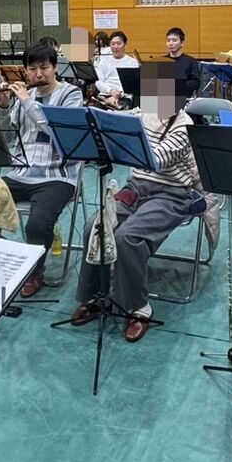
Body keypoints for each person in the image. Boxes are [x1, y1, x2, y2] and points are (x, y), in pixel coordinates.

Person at [70, 62, 199, 342]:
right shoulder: (142, 112)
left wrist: (125, 135)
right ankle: (96, 296)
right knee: (95, 225)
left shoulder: (184, 124)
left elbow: (156, 159)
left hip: (171, 194)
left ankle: (139, 306)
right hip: (135, 188)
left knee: (128, 237)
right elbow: (114, 123)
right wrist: (102, 118)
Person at [0, 41, 84, 297]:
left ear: (55, 68)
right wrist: (3, 107)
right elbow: (8, 138)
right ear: (25, 70)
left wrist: (25, 100)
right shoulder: (25, 97)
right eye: (32, 69)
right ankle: (11, 261)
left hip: (58, 176)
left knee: (36, 225)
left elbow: (57, 131)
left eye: (44, 67)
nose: (38, 74)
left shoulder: (71, 95)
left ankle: (34, 272)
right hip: (20, 173)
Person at [95, 30, 139, 102]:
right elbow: (98, 82)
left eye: (119, 44)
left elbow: (133, 85)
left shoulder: (132, 62)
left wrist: (117, 95)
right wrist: (110, 91)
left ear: (125, 45)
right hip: (105, 94)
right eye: (113, 44)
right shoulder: (103, 61)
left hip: (124, 96)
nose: (115, 47)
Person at [165, 27, 202, 98]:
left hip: (183, 99)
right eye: (168, 40)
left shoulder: (191, 61)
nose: (171, 43)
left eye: (174, 40)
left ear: (182, 43)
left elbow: (196, 83)